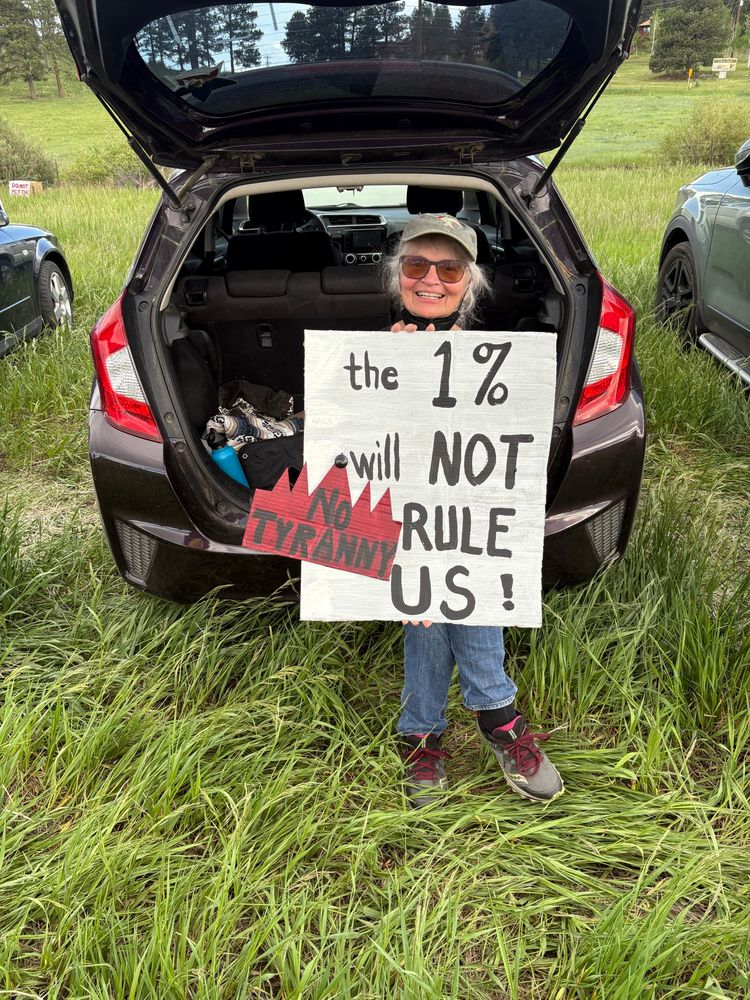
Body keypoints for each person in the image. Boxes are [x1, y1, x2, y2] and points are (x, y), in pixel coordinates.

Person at [383, 213, 564, 808]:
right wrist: (396, 374)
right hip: (400, 519)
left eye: (450, 268)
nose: (430, 279)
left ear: (471, 281)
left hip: (473, 519)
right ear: (397, 275)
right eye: (416, 265)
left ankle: (423, 731)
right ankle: (499, 718)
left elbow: (508, 461)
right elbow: (362, 459)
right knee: (429, 601)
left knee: (457, 587)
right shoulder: (367, 358)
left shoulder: (498, 361)